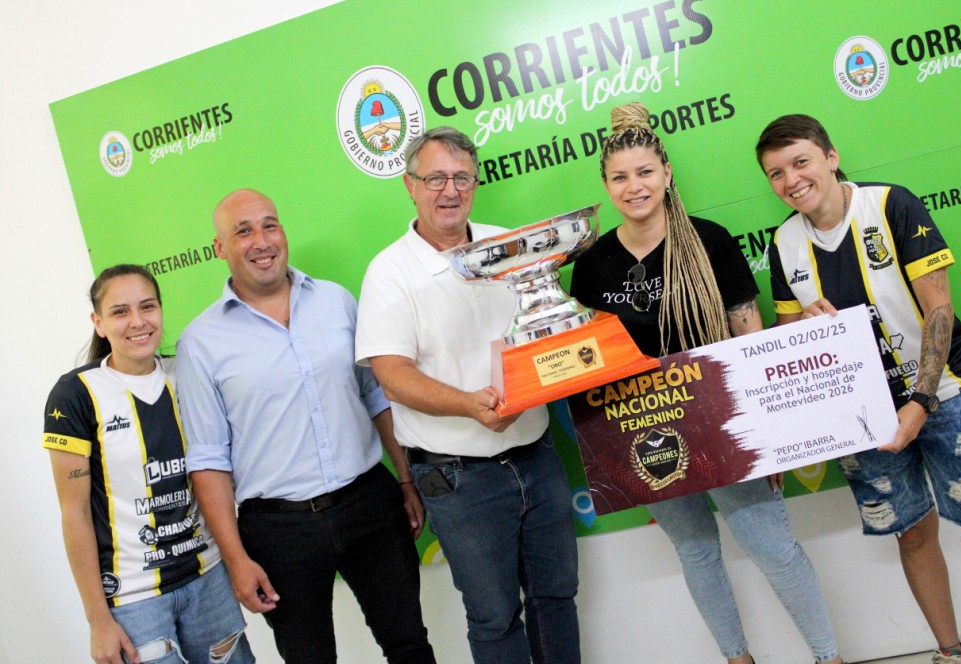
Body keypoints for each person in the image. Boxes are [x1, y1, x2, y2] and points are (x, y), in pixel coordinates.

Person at [569, 102, 843, 664]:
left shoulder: (710, 240)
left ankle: (828, 657)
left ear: (667, 174)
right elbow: (588, 360)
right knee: (695, 552)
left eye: (645, 172)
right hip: (640, 434)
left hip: (722, 423)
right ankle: (737, 659)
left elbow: (747, 330)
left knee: (772, 546)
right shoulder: (592, 264)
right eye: (619, 177)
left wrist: (769, 429)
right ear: (605, 185)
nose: (634, 186)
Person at [757, 113, 961, 664]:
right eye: (775, 173)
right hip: (863, 416)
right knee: (913, 534)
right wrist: (803, 324)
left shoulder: (891, 204)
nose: (791, 180)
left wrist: (919, 402)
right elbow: (787, 339)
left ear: (831, 157)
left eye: (801, 162)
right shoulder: (782, 242)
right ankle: (951, 654)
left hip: (946, 396)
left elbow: (940, 311)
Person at [175, 189, 435, 664]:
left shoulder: (336, 301)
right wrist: (236, 559)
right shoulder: (199, 344)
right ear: (219, 248)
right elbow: (208, 461)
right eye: (244, 230)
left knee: (409, 644)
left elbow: (376, 397)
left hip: (369, 505)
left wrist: (404, 479)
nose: (261, 241)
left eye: (270, 225)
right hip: (278, 530)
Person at [355, 127, 581, 664]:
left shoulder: (511, 246)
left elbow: (549, 334)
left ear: (475, 184)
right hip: (458, 478)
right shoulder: (389, 272)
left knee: (557, 598)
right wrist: (470, 405)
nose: (449, 190)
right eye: (435, 178)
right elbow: (391, 373)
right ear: (411, 186)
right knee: (494, 617)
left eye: (461, 178)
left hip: (537, 454)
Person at [43, 264, 254, 664]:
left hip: (207, 576)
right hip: (133, 598)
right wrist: (97, 621)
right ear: (98, 323)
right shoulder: (76, 394)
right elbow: (74, 515)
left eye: (147, 307)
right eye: (120, 311)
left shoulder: (186, 373)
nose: (137, 322)